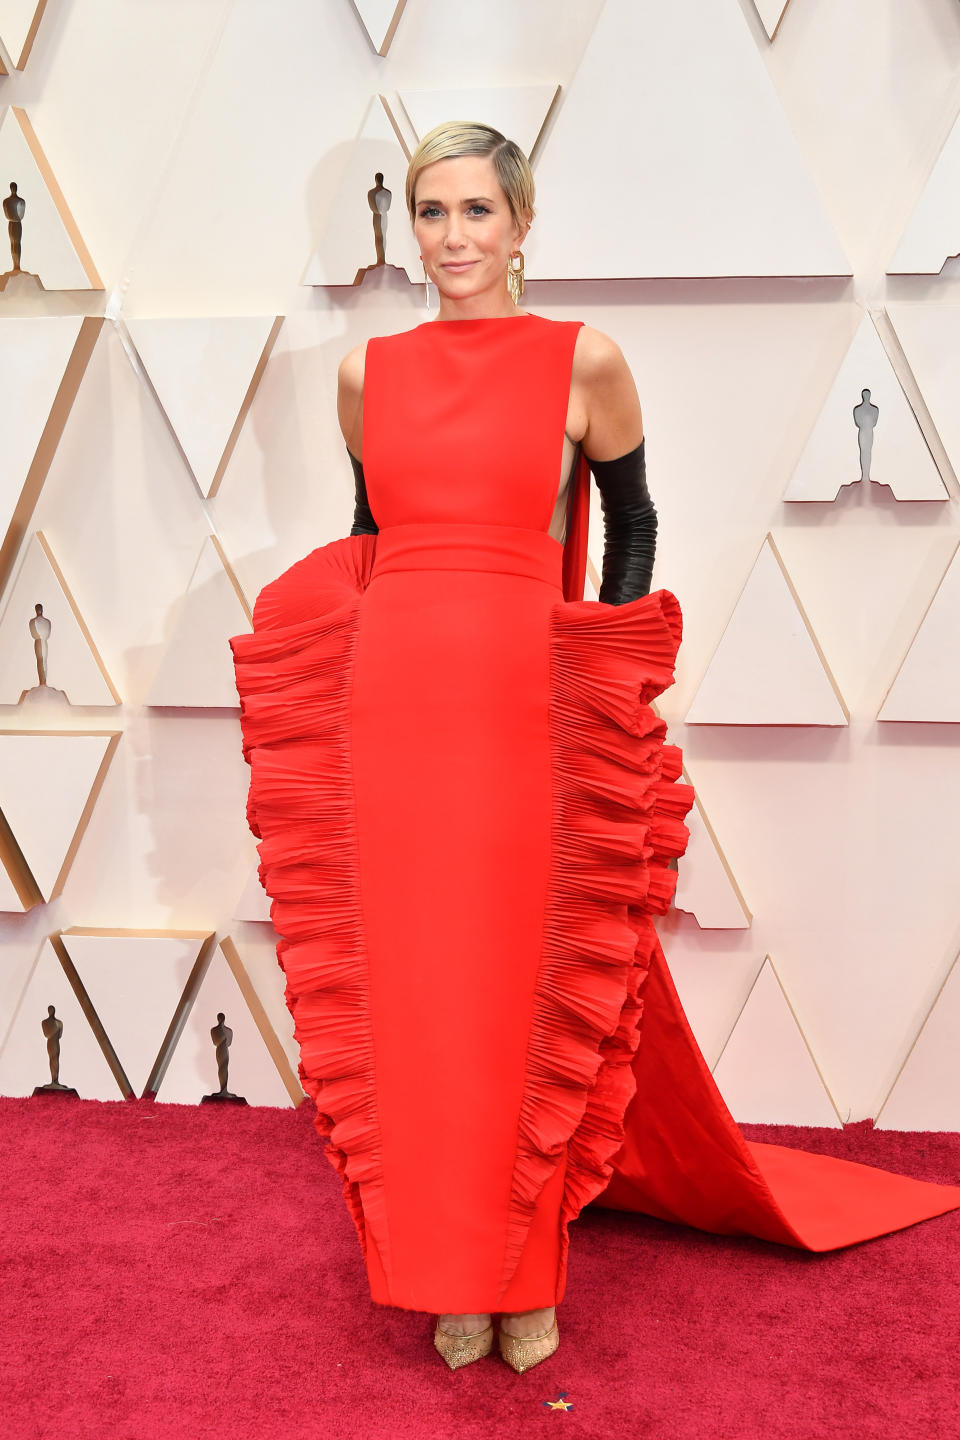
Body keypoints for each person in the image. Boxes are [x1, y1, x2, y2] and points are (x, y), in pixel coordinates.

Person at [230, 121, 960, 1376]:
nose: (452, 238)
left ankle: (526, 1278)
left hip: (520, 710)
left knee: (509, 990)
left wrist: (603, 680)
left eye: (475, 212)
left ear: (521, 223)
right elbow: (369, 534)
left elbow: (634, 528)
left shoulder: (587, 362)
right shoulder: (369, 375)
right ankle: (453, 1273)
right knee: (419, 997)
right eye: (431, 213)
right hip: (396, 710)